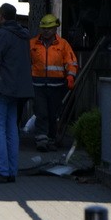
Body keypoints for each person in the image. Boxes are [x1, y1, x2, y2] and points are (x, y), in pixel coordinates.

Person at [0, 3, 33, 184]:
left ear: (2, 16)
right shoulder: (23, 35)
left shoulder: (2, 34)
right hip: (18, 89)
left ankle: (1, 171)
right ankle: (11, 171)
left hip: (2, 86)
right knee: (11, 128)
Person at [30, 13, 79, 152]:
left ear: (55, 29)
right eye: (44, 28)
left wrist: (70, 76)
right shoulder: (32, 44)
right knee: (41, 112)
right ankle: (41, 140)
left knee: (53, 114)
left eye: (49, 28)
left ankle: (51, 139)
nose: (46, 31)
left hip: (57, 86)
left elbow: (71, 62)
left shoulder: (63, 45)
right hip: (37, 84)